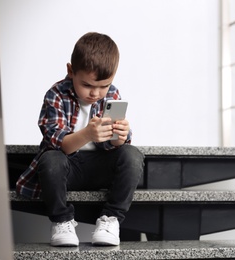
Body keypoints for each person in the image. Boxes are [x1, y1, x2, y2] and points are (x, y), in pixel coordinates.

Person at [16, 32, 144, 247]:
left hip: (100, 167)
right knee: (50, 159)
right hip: (68, 167)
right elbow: (59, 145)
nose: (95, 93)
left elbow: (114, 145)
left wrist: (119, 137)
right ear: (70, 71)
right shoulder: (56, 94)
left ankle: (110, 220)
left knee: (132, 155)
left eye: (103, 86)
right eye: (87, 85)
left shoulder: (111, 94)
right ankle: (62, 221)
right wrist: (87, 133)